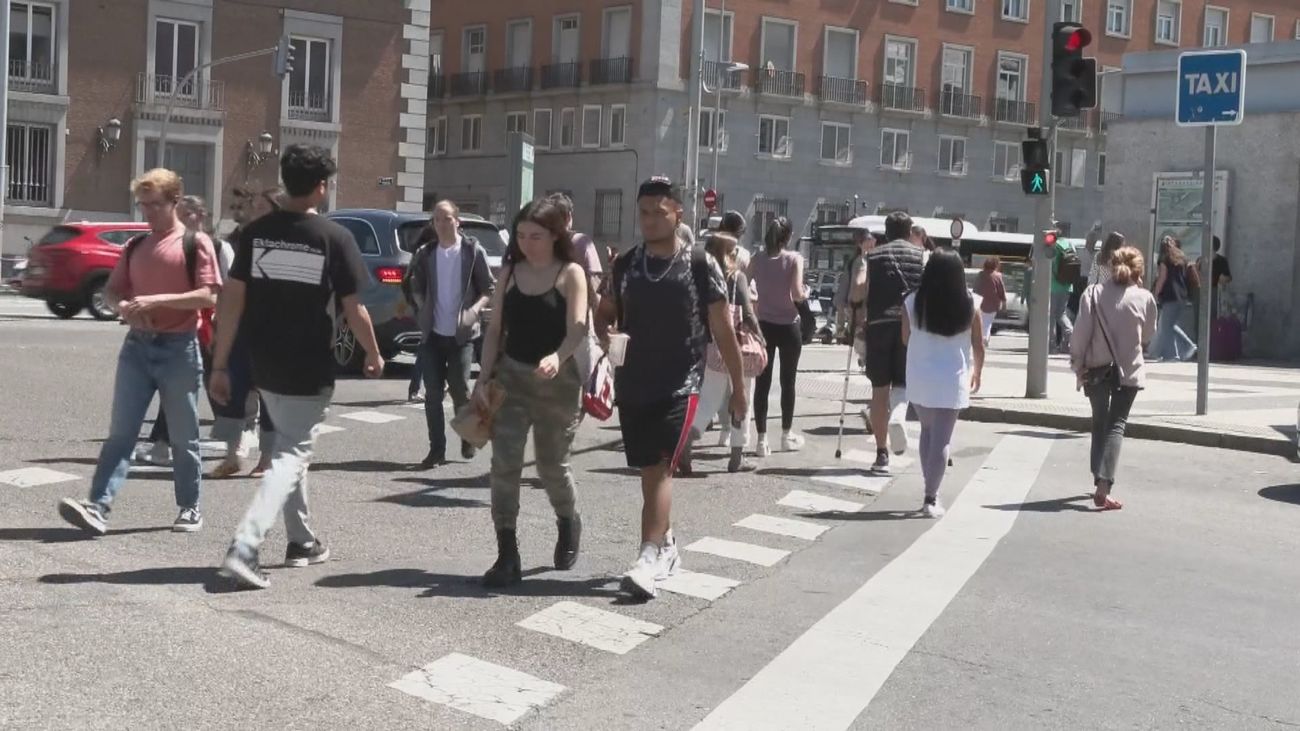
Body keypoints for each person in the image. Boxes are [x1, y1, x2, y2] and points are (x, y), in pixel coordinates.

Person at [212, 144, 384, 589]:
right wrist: (373, 352)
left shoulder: (255, 234)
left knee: (290, 448)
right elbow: (354, 309)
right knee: (291, 455)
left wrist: (220, 361)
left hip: (263, 362)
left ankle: (301, 542)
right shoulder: (334, 238)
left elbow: (231, 300)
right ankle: (245, 547)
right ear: (321, 187)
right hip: (308, 365)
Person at [594, 176, 747, 601]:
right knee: (648, 473)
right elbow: (603, 312)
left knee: (661, 467)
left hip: (683, 383)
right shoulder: (625, 264)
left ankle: (647, 558)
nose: (648, 220)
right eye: (643, 212)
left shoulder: (700, 264)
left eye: (658, 212)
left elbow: (723, 329)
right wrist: (606, 335)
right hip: (634, 382)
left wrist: (738, 387)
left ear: (678, 212)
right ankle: (668, 545)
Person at [57, 168, 221, 536]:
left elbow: (208, 296)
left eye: (154, 205)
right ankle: (98, 506)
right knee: (121, 433)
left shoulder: (196, 244)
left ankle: (190, 506)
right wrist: (123, 306)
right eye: (142, 204)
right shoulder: (135, 247)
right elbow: (113, 292)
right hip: (137, 348)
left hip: (179, 349)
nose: (146, 212)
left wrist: (157, 300)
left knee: (183, 435)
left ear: (174, 202)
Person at [474, 199, 590, 587]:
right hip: (512, 379)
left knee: (551, 466)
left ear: (556, 235)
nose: (527, 243)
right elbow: (494, 332)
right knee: (504, 466)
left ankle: (568, 520)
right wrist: (482, 378)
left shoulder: (571, 272)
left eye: (536, 236)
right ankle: (507, 554)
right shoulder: (509, 273)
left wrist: (558, 358)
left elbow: (578, 327)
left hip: (558, 384)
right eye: (521, 235)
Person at [402, 201, 495, 468]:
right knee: (432, 393)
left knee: (459, 389)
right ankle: (436, 450)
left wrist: (474, 311)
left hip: (461, 335)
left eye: (447, 219)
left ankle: (467, 436)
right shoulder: (426, 253)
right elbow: (411, 284)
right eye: (437, 220)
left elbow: (488, 287)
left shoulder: (471, 251)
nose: (442, 224)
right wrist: (420, 308)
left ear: (457, 222)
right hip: (432, 334)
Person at [1070, 246, 1157, 511]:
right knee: (1116, 425)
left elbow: (1080, 335)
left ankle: (1099, 476)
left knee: (1100, 422)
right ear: (1138, 271)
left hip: (1095, 370)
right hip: (1127, 372)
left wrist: (1077, 366)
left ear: (1109, 267)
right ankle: (1103, 486)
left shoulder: (1092, 294)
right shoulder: (1144, 298)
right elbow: (1148, 336)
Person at [900, 249, 985, 518]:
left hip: (920, 375)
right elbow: (978, 344)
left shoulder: (913, 302)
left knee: (927, 431)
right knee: (942, 439)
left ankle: (929, 490)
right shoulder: (971, 303)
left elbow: (904, 338)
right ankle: (930, 497)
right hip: (953, 378)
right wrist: (979, 372)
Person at [680, 232, 762, 475]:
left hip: (711, 347)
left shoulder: (698, 276)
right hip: (738, 346)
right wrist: (760, 337)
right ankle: (737, 457)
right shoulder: (737, 278)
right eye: (735, 250)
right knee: (742, 396)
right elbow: (747, 313)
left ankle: (686, 444)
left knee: (707, 401)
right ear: (729, 253)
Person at [854, 211, 925, 473]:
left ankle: (881, 453)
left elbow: (858, 291)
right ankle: (898, 416)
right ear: (909, 232)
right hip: (909, 327)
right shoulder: (920, 256)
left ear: (886, 232)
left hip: (878, 326)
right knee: (904, 383)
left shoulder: (873, 256)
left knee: (879, 390)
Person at [748, 217, 807, 456]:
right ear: (788, 237)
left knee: (762, 383)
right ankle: (785, 434)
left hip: (764, 325)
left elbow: (744, 283)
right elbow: (796, 293)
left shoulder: (757, 259)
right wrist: (806, 294)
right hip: (788, 325)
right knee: (787, 382)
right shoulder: (794, 259)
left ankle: (761, 440)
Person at [1149, 236, 1198, 362]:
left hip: (1170, 295)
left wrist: (1154, 294)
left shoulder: (1164, 258)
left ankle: (1174, 354)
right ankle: (1184, 349)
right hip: (1181, 295)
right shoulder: (1181, 258)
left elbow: (1162, 277)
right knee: (1169, 325)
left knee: (1167, 326)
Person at [1048, 234, 1077, 353]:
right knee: (1061, 313)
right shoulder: (1070, 244)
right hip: (1067, 285)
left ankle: (1051, 345)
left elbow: (1050, 264)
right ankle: (1070, 339)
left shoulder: (1054, 246)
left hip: (1054, 285)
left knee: (1051, 316)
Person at [972, 256, 1006, 344]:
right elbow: (1001, 289)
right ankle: (985, 337)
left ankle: (982, 337)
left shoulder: (980, 275)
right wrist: (1003, 302)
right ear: (996, 265)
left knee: (981, 320)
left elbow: (975, 288)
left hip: (980, 302)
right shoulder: (998, 276)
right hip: (993, 303)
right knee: (988, 321)